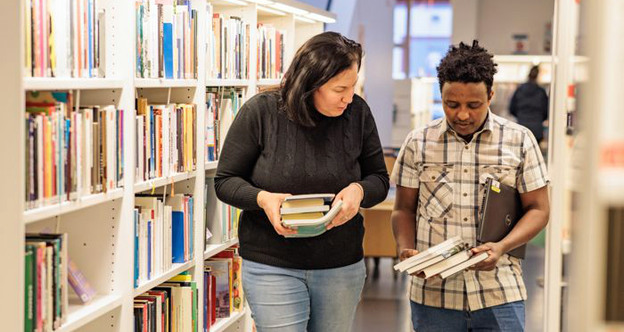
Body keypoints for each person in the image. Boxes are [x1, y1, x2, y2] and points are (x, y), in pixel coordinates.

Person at [214, 31, 389, 332]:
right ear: (311, 83)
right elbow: (226, 181)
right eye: (340, 89)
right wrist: (263, 199)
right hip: (272, 263)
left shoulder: (358, 113)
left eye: (353, 86)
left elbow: (379, 180)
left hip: (340, 265)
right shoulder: (261, 111)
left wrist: (359, 190)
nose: (349, 97)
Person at [391, 40, 550, 331]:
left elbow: (539, 209)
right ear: (440, 96)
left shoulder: (520, 140)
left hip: (500, 291)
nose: (462, 115)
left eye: (473, 105)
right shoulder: (417, 143)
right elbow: (403, 209)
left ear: (491, 95)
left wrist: (502, 247)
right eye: (452, 104)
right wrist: (406, 248)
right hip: (434, 296)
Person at [509, 65, 549, 142]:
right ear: (537, 76)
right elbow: (546, 111)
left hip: (521, 127)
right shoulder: (541, 92)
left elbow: (511, 108)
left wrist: (521, 116)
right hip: (536, 130)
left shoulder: (519, 90)